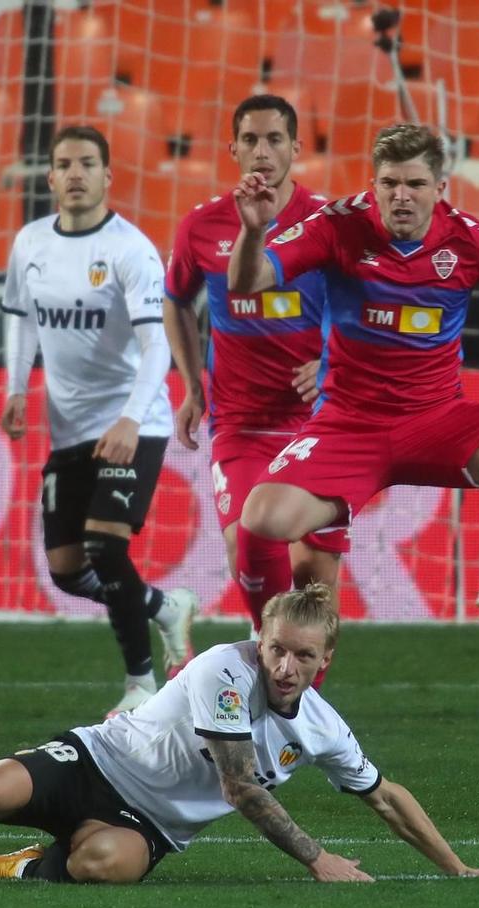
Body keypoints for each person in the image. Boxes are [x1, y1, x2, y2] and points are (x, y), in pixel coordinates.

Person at [0, 585, 479, 883]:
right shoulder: (228, 669)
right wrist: (319, 860)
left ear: (327, 660)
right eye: (277, 648)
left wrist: (458, 869)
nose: (285, 665)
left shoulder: (323, 728)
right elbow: (239, 785)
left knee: (104, 869)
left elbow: (384, 797)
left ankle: (14, 868)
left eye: (303, 656)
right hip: (101, 758)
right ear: (261, 640)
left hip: (153, 824)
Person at [224, 124, 479, 680]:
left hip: (438, 423)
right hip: (348, 428)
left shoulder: (470, 239)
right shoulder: (338, 226)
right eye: (389, 184)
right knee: (260, 521)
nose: (401, 195)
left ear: (441, 187)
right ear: (373, 185)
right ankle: (270, 653)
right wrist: (254, 231)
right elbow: (246, 283)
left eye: (415, 183)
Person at [0, 125, 197, 717]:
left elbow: (157, 345)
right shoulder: (30, 243)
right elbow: (22, 319)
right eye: (65, 164)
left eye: (88, 162)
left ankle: (141, 684)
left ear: (108, 176)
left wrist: (132, 420)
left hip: (135, 420)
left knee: (106, 548)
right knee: (66, 570)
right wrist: (15, 387)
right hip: (70, 429)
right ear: (51, 177)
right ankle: (163, 606)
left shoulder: (129, 249)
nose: (76, 173)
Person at [165, 93, 346, 633]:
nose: (262, 151)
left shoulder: (328, 222)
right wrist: (192, 386)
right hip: (240, 424)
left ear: (296, 146)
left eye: (273, 139)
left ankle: (301, 708)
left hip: (320, 425)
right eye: (250, 140)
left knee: (315, 584)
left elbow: (361, 301)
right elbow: (175, 299)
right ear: (233, 149)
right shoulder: (201, 227)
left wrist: (333, 364)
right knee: (248, 546)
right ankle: (267, 667)